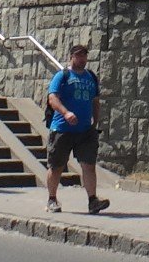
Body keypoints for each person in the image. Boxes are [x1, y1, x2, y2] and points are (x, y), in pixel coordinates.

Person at [43, 42, 108, 215]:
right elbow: (53, 99)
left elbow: (95, 101)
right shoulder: (62, 75)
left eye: (84, 55)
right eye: (78, 55)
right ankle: (51, 199)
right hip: (62, 129)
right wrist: (66, 113)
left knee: (89, 165)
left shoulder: (91, 77)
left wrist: (94, 123)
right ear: (71, 57)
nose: (81, 58)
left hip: (85, 131)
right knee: (56, 166)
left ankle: (92, 201)